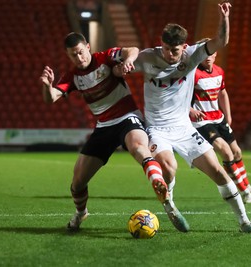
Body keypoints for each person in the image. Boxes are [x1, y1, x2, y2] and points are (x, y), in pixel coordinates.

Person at [116, 1, 251, 234]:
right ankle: (170, 205)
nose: (169, 54)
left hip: (185, 128)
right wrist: (123, 65)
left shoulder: (192, 55)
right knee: (168, 167)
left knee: (218, 171)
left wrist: (224, 18)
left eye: (174, 50)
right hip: (157, 128)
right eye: (165, 48)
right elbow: (116, 66)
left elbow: (220, 41)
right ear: (161, 44)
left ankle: (245, 222)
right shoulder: (147, 58)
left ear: (184, 46)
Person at [39, 32, 169, 232]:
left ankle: (157, 181)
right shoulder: (73, 76)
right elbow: (51, 98)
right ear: (68, 55)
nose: (79, 58)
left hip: (127, 117)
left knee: (138, 147)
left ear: (88, 47)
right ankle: (81, 213)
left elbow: (132, 50)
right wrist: (47, 87)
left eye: (81, 52)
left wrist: (129, 61)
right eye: (73, 55)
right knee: (77, 182)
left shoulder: (105, 58)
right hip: (103, 127)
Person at [189, 42, 251, 204]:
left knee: (237, 152)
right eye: (205, 54)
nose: (208, 57)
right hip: (203, 122)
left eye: (211, 53)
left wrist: (228, 115)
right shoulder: (193, 74)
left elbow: (223, 93)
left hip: (219, 118)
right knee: (226, 152)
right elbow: (180, 96)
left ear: (216, 54)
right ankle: (244, 192)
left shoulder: (219, 72)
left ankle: (248, 186)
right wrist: (190, 110)